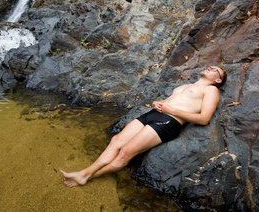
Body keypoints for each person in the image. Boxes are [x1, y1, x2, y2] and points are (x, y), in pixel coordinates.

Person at [60, 66, 227, 187]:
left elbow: (204, 118)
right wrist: (160, 103)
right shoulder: (185, 86)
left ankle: (87, 175)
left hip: (170, 122)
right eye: (210, 66)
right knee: (116, 140)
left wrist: (172, 110)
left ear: (218, 80)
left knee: (125, 152)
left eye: (215, 70)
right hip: (154, 114)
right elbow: (172, 101)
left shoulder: (212, 91)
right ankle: (85, 173)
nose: (209, 68)